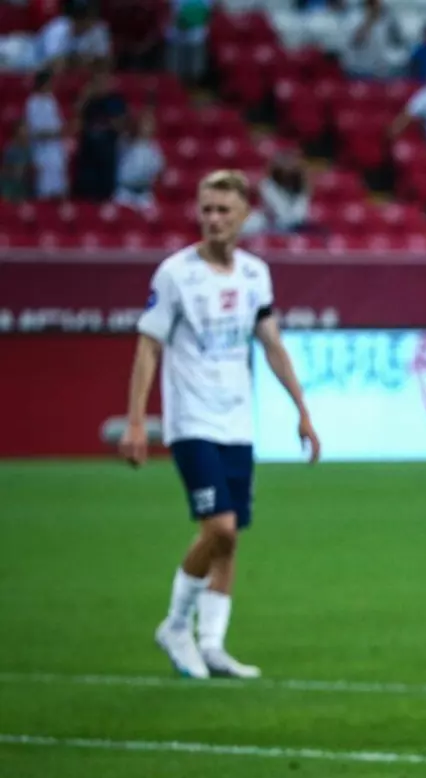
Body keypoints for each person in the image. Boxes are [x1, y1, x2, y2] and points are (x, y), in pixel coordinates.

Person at [120, 170, 321, 680]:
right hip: (192, 421)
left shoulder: (255, 274)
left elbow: (271, 344)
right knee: (219, 527)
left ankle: (211, 645)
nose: (213, 219)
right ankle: (175, 625)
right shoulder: (174, 274)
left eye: (224, 210)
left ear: (244, 215)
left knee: (231, 539)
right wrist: (137, 421)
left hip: (238, 421)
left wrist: (301, 409)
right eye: (206, 209)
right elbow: (148, 347)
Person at [72, 64, 127, 201]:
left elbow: (121, 125)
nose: (101, 84)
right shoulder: (88, 102)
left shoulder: (115, 101)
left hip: (107, 159)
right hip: (87, 159)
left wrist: (108, 121)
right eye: (97, 81)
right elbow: (75, 119)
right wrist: (84, 96)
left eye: (104, 80)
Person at [24, 70, 66, 200]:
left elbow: (59, 125)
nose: (52, 86)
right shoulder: (32, 103)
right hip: (41, 151)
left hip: (56, 149)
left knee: (59, 189)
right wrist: (53, 134)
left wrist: (60, 132)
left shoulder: (51, 100)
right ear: (42, 84)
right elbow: (34, 132)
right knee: (44, 191)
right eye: (49, 83)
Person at [114, 110, 165, 210]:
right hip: (124, 192)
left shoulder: (155, 147)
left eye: (150, 125)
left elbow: (159, 171)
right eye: (145, 124)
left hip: (144, 194)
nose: (147, 128)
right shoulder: (125, 141)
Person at [342, 0, 401, 79]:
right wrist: (369, 20)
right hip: (358, 71)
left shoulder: (386, 17)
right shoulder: (354, 16)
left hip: (379, 71)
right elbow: (356, 41)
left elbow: (395, 42)